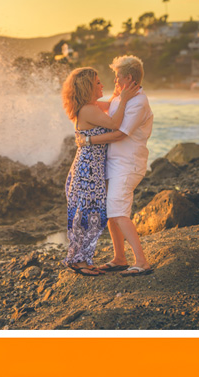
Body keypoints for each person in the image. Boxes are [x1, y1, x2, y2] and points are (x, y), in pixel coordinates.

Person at [76, 56, 155, 276]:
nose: (114, 79)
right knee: (111, 213)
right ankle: (120, 257)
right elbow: (105, 108)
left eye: (117, 75)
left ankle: (142, 261)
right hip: (114, 164)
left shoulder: (139, 102)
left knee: (119, 212)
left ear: (128, 77)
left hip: (129, 164)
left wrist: (88, 140)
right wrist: (79, 103)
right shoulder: (122, 97)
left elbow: (119, 133)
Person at [62, 67, 139, 276]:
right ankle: (78, 262)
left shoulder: (92, 106)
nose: (102, 85)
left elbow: (112, 107)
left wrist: (119, 94)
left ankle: (82, 260)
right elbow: (115, 124)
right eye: (98, 83)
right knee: (86, 214)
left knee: (90, 214)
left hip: (91, 168)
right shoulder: (88, 109)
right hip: (87, 168)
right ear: (87, 87)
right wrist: (123, 99)